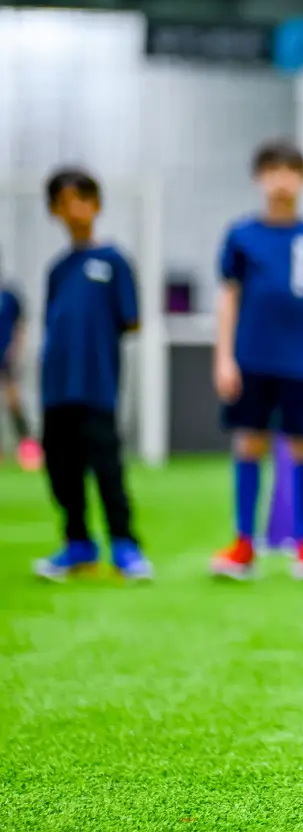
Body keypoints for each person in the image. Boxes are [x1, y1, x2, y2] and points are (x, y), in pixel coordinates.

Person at [208, 141, 303, 582]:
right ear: (258, 177)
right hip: (251, 359)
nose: (281, 180)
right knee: (249, 443)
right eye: (272, 170)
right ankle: (244, 543)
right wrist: (224, 357)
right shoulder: (241, 236)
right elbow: (228, 299)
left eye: (291, 171)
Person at [32, 169, 152, 581]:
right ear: (54, 211)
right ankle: (77, 544)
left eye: (82, 199)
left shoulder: (113, 262)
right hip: (56, 386)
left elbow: (130, 320)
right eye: (64, 202)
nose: (74, 209)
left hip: (96, 384)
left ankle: (124, 544)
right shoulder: (57, 269)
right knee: (62, 468)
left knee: (106, 465)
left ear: (96, 205)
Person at [0, 274, 42, 471]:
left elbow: (20, 326)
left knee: (13, 402)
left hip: (6, 358)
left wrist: (17, 351)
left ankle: (28, 448)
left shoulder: (9, 297)